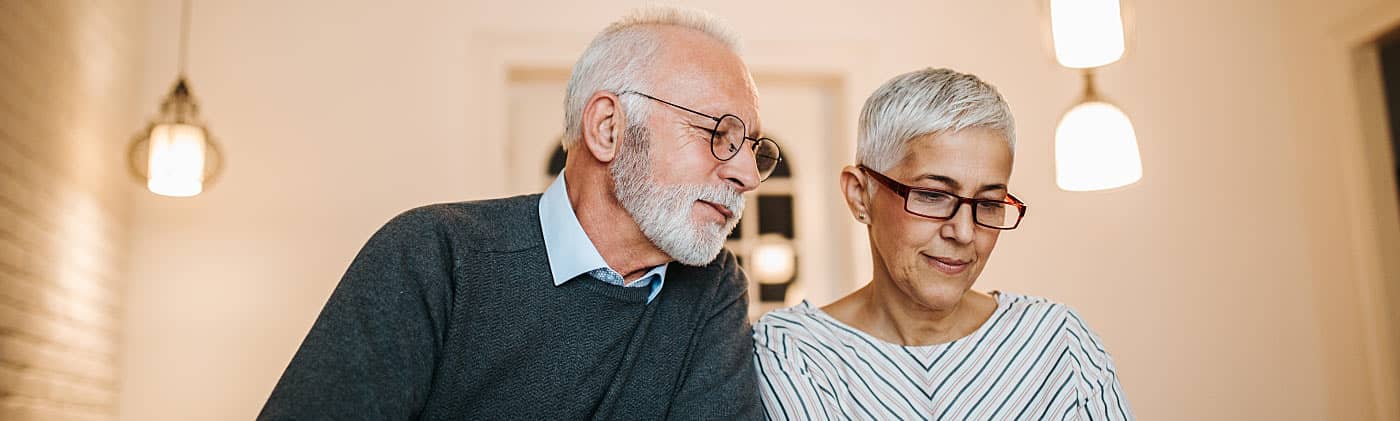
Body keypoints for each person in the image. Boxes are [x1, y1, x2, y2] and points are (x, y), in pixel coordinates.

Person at [260, 6, 781, 419]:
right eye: (718, 135)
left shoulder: (712, 288)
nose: (749, 176)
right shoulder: (433, 255)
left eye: (752, 147)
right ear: (607, 129)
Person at [752, 68, 1132, 420]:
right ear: (859, 195)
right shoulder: (791, 352)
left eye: (988, 203)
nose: (964, 233)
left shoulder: (1057, 342)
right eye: (933, 196)